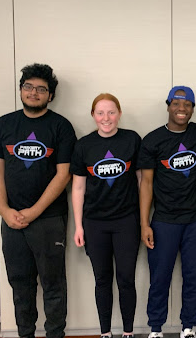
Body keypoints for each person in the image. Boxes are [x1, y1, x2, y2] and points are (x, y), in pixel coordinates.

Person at [0, 63, 76, 338]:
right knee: (20, 283)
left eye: (41, 89)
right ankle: (25, 334)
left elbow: (63, 175)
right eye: (28, 87)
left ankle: (54, 335)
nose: (33, 93)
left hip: (48, 219)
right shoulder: (4, 124)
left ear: (50, 95)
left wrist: (34, 212)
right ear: (21, 90)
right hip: (11, 220)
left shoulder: (61, 126)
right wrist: (4, 210)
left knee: (53, 284)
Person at [138, 86, 196, 338]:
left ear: (192, 108)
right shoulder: (152, 140)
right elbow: (145, 184)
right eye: (177, 104)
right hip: (164, 221)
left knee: (195, 276)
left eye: (187, 104)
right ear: (168, 105)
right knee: (159, 278)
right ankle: (155, 329)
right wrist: (144, 223)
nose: (182, 109)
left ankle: (188, 327)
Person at [71, 93, 141, 338]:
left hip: (126, 221)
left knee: (126, 279)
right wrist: (78, 226)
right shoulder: (83, 145)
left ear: (119, 113)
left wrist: (142, 221)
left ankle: (129, 332)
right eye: (100, 113)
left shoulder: (132, 140)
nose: (106, 118)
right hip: (94, 223)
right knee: (102, 280)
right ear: (93, 116)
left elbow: (143, 182)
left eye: (111, 112)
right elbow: (78, 188)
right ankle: (105, 332)